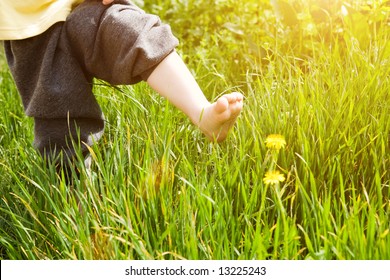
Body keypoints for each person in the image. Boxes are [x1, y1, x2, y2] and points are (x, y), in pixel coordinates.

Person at [1, 0, 243, 176]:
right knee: (58, 107)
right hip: (30, 22)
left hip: (89, 5)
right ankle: (76, 196)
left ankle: (202, 113)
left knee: (133, 31)